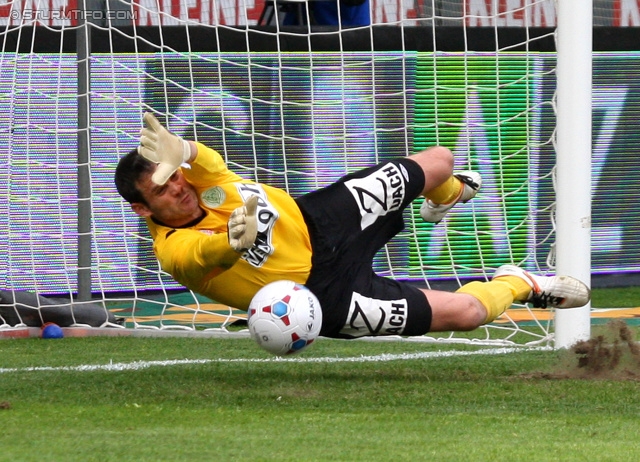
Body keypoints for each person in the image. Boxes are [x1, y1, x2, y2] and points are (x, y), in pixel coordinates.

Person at [114, 112, 590, 339]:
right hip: (325, 295)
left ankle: (444, 197)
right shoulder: (173, 250)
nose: (178, 188)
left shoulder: (200, 182)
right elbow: (203, 257)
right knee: (467, 315)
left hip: (321, 219)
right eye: (162, 191)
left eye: (174, 177)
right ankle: (520, 281)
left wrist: (186, 152)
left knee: (442, 162)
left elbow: (209, 163)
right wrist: (232, 247)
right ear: (143, 210)